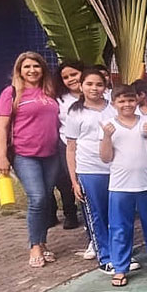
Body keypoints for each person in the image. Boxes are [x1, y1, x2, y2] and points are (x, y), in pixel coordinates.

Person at [0, 52, 62, 269]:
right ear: (19, 70)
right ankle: (34, 245)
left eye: (36, 66)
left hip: (51, 154)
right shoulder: (11, 93)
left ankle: (43, 242)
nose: (32, 70)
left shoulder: (49, 92)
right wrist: (2, 157)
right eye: (27, 67)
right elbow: (3, 127)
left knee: (46, 200)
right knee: (38, 198)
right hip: (25, 155)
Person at [100, 84, 147, 287]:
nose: (126, 104)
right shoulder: (107, 125)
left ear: (136, 101)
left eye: (130, 100)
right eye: (121, 101)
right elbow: (105, 157)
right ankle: (120, 267)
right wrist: (107, 137)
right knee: (120, 228)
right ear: (114, 104)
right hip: (120, 185)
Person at [65, 70, 117, 273]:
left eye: (99, 84)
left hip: (115, 169)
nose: (94, 88)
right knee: (97, 215)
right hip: (89, 170)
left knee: (117, 214)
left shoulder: (113, 109)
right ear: (81, 86)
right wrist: (75, 180)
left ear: (105, 87)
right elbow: (70, 147)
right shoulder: (75, 112)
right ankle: (105, 257)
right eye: (89, 84)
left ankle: (121, 254)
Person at [53, 61, 83, 231]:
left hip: (95, 148)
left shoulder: (100, 93)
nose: (71, 79)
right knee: (73, 183)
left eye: (74, 74)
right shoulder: (60, 99)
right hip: (67, 146)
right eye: (66, 77)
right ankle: (71, 213)